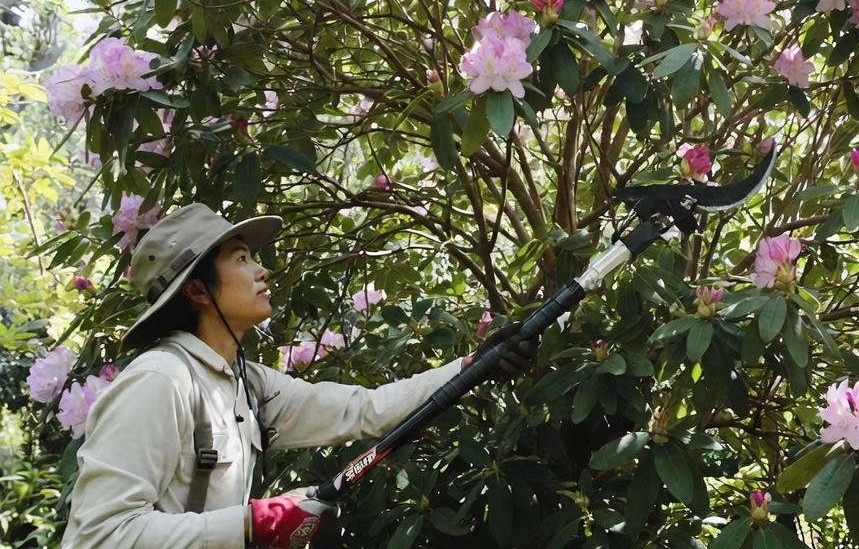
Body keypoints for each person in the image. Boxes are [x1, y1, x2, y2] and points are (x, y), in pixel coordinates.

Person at [61, 202, 537, 548]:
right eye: (241, 259)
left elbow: (363, 410)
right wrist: (252, 524)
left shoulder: (245, 382)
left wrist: (471, 366)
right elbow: (100, 536)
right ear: (198, 291)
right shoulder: (160, 382)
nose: (262, 271)